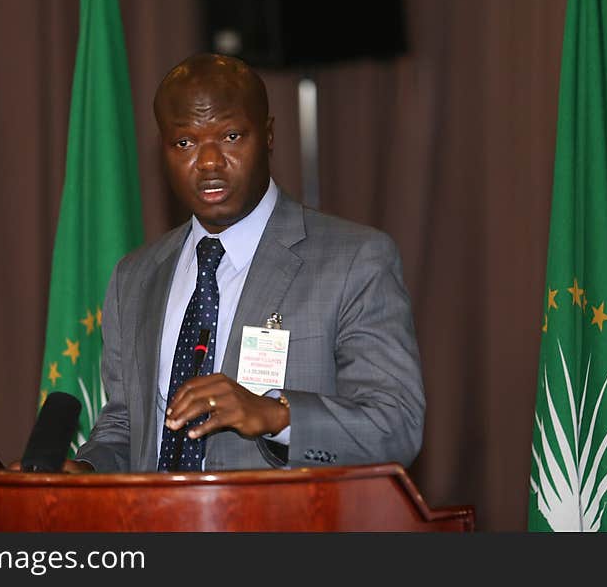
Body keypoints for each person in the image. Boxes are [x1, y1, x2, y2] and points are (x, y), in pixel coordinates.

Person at [65, 53, 425, 472]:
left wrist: (277, 416)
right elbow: (126, 427)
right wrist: (85, 471)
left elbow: (398, 425)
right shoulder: (136, 277)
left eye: (231, 136)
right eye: (185, 142)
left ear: (268, 135)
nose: (210, 162)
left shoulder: (354, 260)